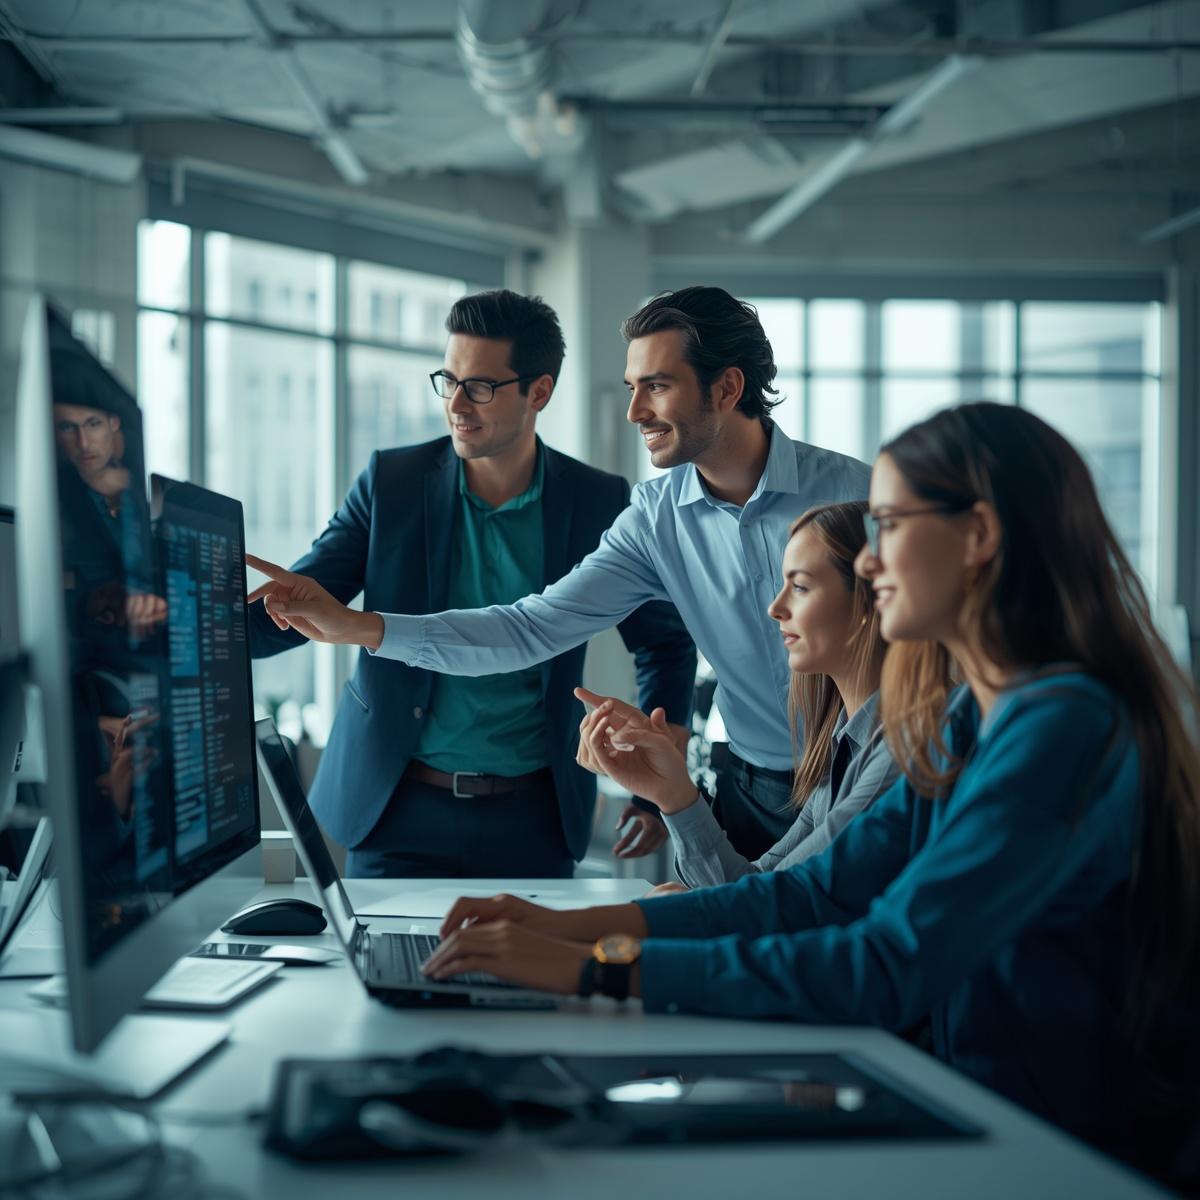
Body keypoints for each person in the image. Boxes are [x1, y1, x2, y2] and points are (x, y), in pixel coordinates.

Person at [421, 402, 1200, 1183]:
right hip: (975, 1110)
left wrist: (598, 968)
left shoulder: (1063, 726)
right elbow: (809, 898)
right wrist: (568, 932)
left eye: (891, 524)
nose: (867, 560)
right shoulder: (973, 714)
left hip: (1055, 1152)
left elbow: (886, 962)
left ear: (980, 536)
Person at [246, 286, 870, 860]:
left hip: (868, 767)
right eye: (632, 386)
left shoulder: (857, 496)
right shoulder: (653, 521)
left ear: (727, 389)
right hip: (747, 789)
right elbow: (527, 629)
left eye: (656, 386)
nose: (633, 412)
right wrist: (362, 628)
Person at [574, 500, 902, 889]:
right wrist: (671, 789)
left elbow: (777, 904)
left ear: (868, 601)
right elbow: (754, 885)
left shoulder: (895, 757)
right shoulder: (842, 744)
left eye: (799, 587)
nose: (776, 608)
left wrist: (680, 914)